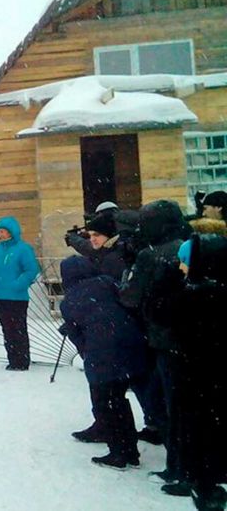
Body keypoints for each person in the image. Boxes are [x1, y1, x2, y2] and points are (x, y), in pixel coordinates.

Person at [119, 200, 192, 493]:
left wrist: (130, 268)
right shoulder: (188, 245)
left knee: (168, 402)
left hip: (163, 336)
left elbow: (130, 296)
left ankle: (179, 465)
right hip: (193, 335)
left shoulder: (152, 255)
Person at [152, 236, 227, 510]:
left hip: (198, 385)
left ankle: (205, 492)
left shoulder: (195, 296)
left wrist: (166, 279)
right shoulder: (211, 291)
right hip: (208, 385)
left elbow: (157, 311)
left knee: (201, 444)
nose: (181, 267)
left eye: (185, 262)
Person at [59, 256, 146, 469]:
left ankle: (119, 454)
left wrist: (88, 354)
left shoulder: (69, 301)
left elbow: (79, 339)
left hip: (104, 354)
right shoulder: (108, 282)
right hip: (133, 344)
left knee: (106, 402)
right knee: (119, 399)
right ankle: (130, 452)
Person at [0, 217, 40, 371]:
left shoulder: (23, 248)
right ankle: (12, 359)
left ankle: (22, 361)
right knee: (7, 328)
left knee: (18, 328)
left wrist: (18, 284)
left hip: (16, 297)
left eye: (3, 231)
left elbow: (31, 270)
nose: (0, 234)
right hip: (0, 295)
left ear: (11, 232)